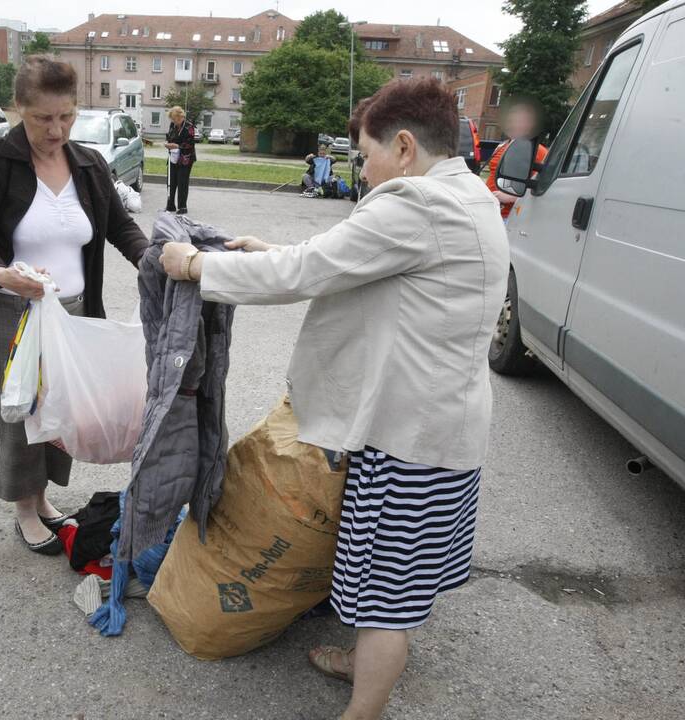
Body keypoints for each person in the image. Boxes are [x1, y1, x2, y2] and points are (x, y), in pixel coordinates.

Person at [159, 79, 509, 720]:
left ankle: (363, 708)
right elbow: (347, 263)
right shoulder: (466, 193)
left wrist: (193, 266)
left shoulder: (415, 204)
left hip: (411, 441)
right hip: (440, 429)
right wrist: (272, 249)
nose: (364, 171)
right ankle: (362, 661)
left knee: (386, 599)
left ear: (403, 147)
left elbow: (304, 275)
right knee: (392, 581)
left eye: (367, 154)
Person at [0, 56, 149, 555]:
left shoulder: (87, 163)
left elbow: (121, 228)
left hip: (73, 312)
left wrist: (154, 260)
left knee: (62, 410)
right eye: (43, 118)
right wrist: (0, 271)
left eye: (66, 116)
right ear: (18, 109)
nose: (57, 129)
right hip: (10, 313)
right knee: (21, 411)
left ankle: (42, 498)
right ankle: (26, 508)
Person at [487, 99, 548, 220]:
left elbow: (543, 188)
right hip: (489, 212)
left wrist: (510, 197)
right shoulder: (502, 146)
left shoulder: (538, 151)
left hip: (509, 217)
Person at [164, 106, 197, 214]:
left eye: (174, 119)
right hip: (173, 157)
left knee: (182, 182)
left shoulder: (189, 127)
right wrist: (168, 143)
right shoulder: (173, 125)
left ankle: (182, 207)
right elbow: (170, 137)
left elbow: (190, 144)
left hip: (185, 158)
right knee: (171, 180)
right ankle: (170, 205)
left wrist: (177, 146)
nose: (173, 121)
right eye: (172, 119)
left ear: (180, 116)